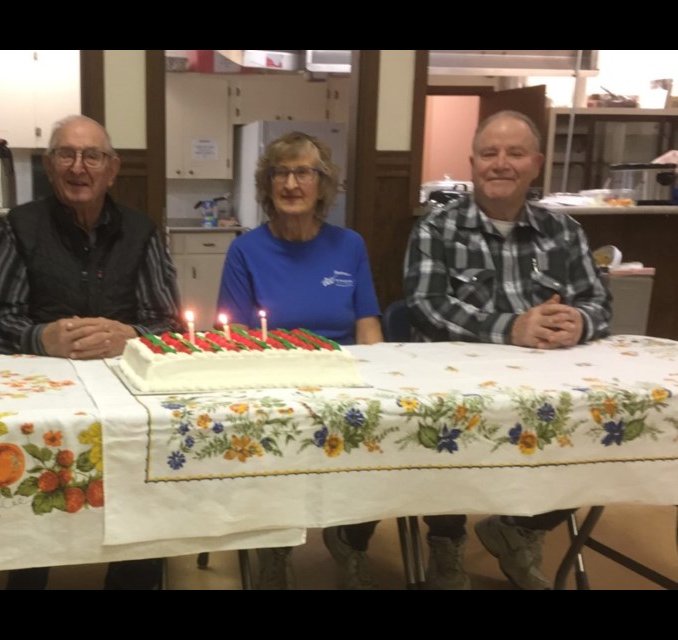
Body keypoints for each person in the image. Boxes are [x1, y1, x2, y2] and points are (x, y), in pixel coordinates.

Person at [404, 110, 612, 590]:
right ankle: (446, 542)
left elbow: (599, 303)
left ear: (536, 163)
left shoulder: (566, 233)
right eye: (490, 153)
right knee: (441, 427)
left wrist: (579, 321)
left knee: (603, 431)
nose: (501, 164)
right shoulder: (436, 230)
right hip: (456, 388)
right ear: (472, 161)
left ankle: (520, 530)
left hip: (549, 388)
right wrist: (511, 327)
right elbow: (425, 308)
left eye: (515, 153)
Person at [0, 115, 180, 589]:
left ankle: (135, 577)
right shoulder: (21, 226)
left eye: (92, 156)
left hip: (127, 393)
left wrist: (130, 335)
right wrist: (42, 338)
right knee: (28, 477)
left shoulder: (142, 230)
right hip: (41, 394)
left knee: (150, 471)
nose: (78, 166)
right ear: (50, 167)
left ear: (111, 169)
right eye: (66, 155)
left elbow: (168, 324)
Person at [217, 131, 383, 590]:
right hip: (275, 385)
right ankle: (275, 546)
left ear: (322, 183)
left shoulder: (349, 245)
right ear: (267, 184)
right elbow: (234, 340)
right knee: (274, 436)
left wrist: (380, 386)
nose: (291, 183)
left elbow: (368, 325)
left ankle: (351, 539)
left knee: (382, 433)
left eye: (303, 172)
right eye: (280, 173)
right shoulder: (245, 250)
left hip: (342, 382)